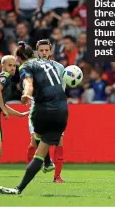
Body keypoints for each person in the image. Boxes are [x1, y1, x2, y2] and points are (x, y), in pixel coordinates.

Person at [0, 42, 68, 195]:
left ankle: (46, 163)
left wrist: (26, 94)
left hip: (44, 110)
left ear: (19, 58)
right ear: (34, 54)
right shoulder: (52, 65)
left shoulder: (26, 67)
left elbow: (28, 83)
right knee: (40, 151)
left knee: (36, 134)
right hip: (62, 111)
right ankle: (24, 184)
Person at [26, 39, 66, 183]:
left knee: (59, 140)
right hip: (38, 108)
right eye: (41, 50)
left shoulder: (60, 68)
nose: (44, 53)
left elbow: (62, 88)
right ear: (37, 52)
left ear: (50, 52)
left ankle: (57, 176)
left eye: (46, 50)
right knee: (34, 141)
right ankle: (31, 175)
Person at [0, 55, 29, 163]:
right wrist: (3, 109)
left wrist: (19, 114)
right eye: (9, 65)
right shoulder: (5, 76)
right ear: (3, 66)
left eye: (14, 66)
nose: (13, 68)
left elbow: (0, 102)